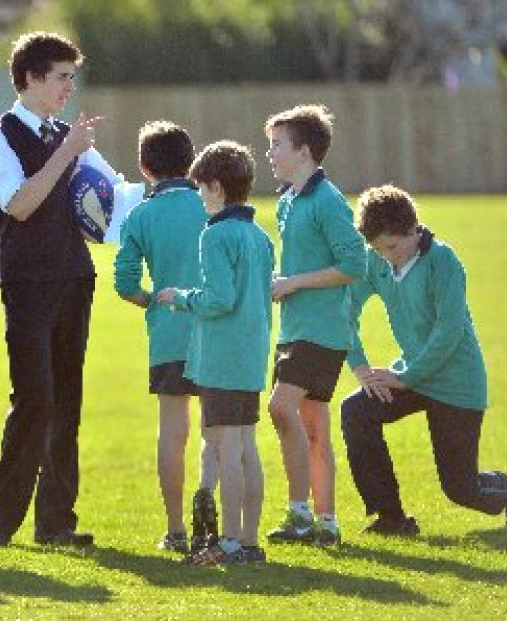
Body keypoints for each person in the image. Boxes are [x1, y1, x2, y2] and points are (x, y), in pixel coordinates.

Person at [0, 31, 122, 548]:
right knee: (34, 400)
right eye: (61, 77)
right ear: (32, 78)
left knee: (66, 402)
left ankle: (56, 524)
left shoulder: (67, 133)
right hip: (28, 282)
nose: (69, 87)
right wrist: (66, 152)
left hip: (75, 278)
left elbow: (111, 200)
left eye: (71, 77)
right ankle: (0, 525)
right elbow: (18, 203)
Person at [342, 184, 507, 535]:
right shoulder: (377, 261)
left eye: (392, 246)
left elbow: (448, 333)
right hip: (412, 375)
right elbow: (345, 312)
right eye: (378, 248)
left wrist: (406, 377)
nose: (386, 256)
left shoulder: (444, 262)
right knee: (356, 410)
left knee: (462, 490)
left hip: (456, 384)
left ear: (414, 229)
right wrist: (361, 369)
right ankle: (391, 518)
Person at [158, 140, 273, 565]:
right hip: (251, 354)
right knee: (246, 446)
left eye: (202, 188)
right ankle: (249, 541)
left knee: (227, 450)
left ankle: (227, 543)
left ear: (218, 188)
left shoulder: (216, 234)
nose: (200, 197)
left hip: (223, 357)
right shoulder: (259, 236)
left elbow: (220, 298)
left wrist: (180, 297)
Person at [113, 120, 218, 554]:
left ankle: (175, 529)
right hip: (218, 333)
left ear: (144, 167)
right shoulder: (213, 206)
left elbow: (124, 282)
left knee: (172, 432)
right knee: (219, 430)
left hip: (169, 337)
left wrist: (153, 300)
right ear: (191, 165)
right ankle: (210, 512)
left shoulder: (141, 215)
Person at [264, 104, 366, 546]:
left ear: (303, 151)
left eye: (277, 145)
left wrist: (293, 283)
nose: (269, 153)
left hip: (320, 331)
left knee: (279, 408)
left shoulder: (327, 200)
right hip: (295, 328)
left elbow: (354, 263)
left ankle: (299, 515)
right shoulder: (288, 200)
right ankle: (326, 523)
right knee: (312, 428)